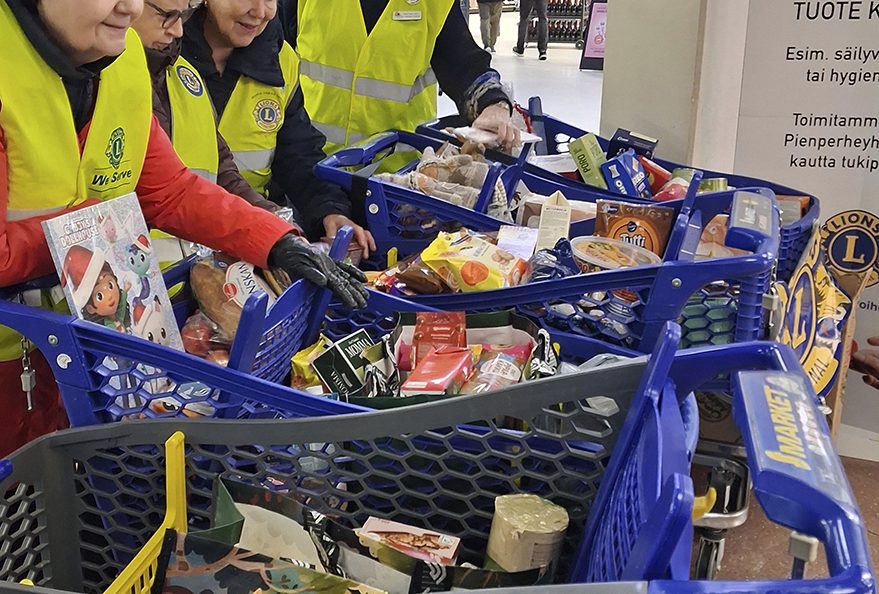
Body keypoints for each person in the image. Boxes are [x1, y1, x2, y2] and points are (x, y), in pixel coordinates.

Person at [0, 0, 367, 456]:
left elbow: (169, 189)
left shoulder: (123, 60)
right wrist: (90, 224)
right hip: (12, 367)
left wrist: (275, 241)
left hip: (86, 364)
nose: (131, 7)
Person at [181, 0, 375, 256]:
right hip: (171, 254)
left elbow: (298, 153)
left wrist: (330, 210)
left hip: (252, 248)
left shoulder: (281, 59)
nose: (260, 13)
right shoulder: (163, 54)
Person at [131, 0, 285, 266]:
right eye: (167, 16)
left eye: (183, 15)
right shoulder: (106, 83)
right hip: (124, 292)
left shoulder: (182, 74)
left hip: (190, 285)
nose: (178, 30)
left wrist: (277, 231)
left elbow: (221, 171)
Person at [275, 0, 521, 155]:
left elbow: (461, 60)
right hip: (313, 168)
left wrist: (493, 104)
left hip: (396, 178)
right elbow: (275, 56)